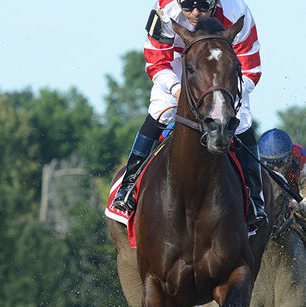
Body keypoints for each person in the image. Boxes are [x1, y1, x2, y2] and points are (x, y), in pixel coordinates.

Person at [112, 0, 267, 227]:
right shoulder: (165, 11)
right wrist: (177, 90)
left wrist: (226, 95)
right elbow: (156, 60)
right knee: (160, 112)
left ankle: (255, 199)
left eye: (203, 5)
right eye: (187, 5)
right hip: (178, 66)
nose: (195, 13)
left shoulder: (238, 13)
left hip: (224, 77)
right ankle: (128, 187)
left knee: (241, 121)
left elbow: (251, 67)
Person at [258, 128, 306, 269]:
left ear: (290, 158)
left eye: (279, 164)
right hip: (264, 208)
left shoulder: (303, 165)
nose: (274, 169)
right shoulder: (254, 163)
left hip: (293, 204)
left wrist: (300, 207)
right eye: (268, 164)